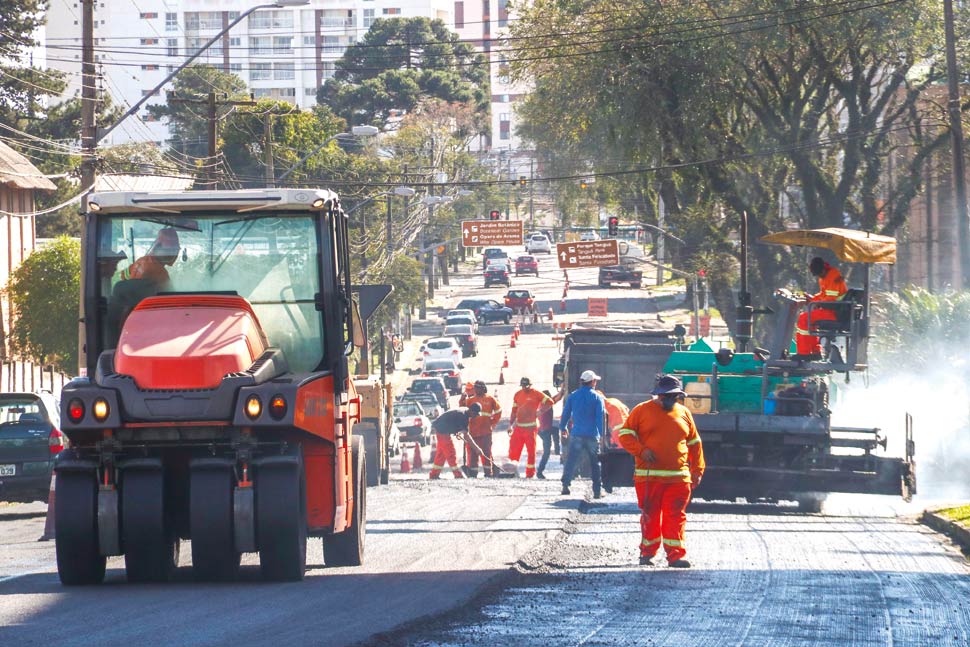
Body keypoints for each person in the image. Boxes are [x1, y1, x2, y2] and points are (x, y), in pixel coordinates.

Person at [617, 375, 705, 568]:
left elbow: (694, 443)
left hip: (679, 477)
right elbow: (625, 435)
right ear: (658, 395)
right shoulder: (641, 411)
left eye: (675, 397)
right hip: (649, 477)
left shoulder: (684, 413)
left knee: (675, 515)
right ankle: (647, 553)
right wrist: (641, 450)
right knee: (651, 514)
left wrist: (698, 469)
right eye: (667, 396)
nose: (671, 400)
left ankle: (676, 556)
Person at [559, 369, 605, 498]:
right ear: (592, 382)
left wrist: (563, 427)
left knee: (572, 460)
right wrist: (602, 436)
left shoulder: (573, 396)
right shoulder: (597, 397)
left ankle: (565, 485)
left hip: (577, 434)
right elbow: (599, 418)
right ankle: (597, 490)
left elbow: (566, 413)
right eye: (595, 380)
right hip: (592, 435)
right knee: (595, 463)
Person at [795, 256, 847, 358]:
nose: (819, 276)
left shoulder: (833, 275)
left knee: (804, 318)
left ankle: (803, 354)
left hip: (835, 312)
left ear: (823, 269)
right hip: (831, 310)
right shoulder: (824, 277)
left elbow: (831, 299)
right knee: (809, 319)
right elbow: (823, 295)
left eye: (820, 273)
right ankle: (815, 352)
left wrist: (815, 303)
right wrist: (812, 299)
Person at [508, 377, 555, 478]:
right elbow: (514, 411)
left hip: (531, 428)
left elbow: (550, 402)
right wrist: (510, 425)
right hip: (519, 428)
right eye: (523, 386)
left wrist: (540, 411)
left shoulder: (536, 393)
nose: (524, 388)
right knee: (514, 451)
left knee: (531, 452)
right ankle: (511, 472)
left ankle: (530, 474)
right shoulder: (517, 394)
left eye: (526, 386)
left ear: (530, 385)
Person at [459, 380, 502, 477]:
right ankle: (473, 474)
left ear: (483, 388)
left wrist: (493, 423)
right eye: (475, 388)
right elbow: (462, 410)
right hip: (473, 432)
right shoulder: (470, 400)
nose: (476, 389)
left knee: (486, 453)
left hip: (486, 432)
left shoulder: (490, 399)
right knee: (473, 454)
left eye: (478, 388)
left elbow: (499, 411)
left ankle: (488, 473)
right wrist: (462, 399)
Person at [428, 404, 479, 480]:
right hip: (442, 431)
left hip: (441, 430)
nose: (475, 416)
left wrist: (455, 431)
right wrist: (477, 449)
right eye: (475, 414)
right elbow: (467, 436)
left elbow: (453, 421)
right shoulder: (463, 416)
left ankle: (434, 475)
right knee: (451, 453)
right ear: (471, 411)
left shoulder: (465, 412)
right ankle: (458, 475)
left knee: (441, 455)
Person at [536, 387, 565, 479]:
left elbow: (556, 397)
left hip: (543, 429)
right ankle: (540, 471)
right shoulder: (546, 404)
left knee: (555, 430)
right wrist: (563, 389)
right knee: (546, 452)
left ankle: (557, 450)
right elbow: (558, 397)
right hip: (545, 431)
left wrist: (562, 389)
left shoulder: (543, 403)